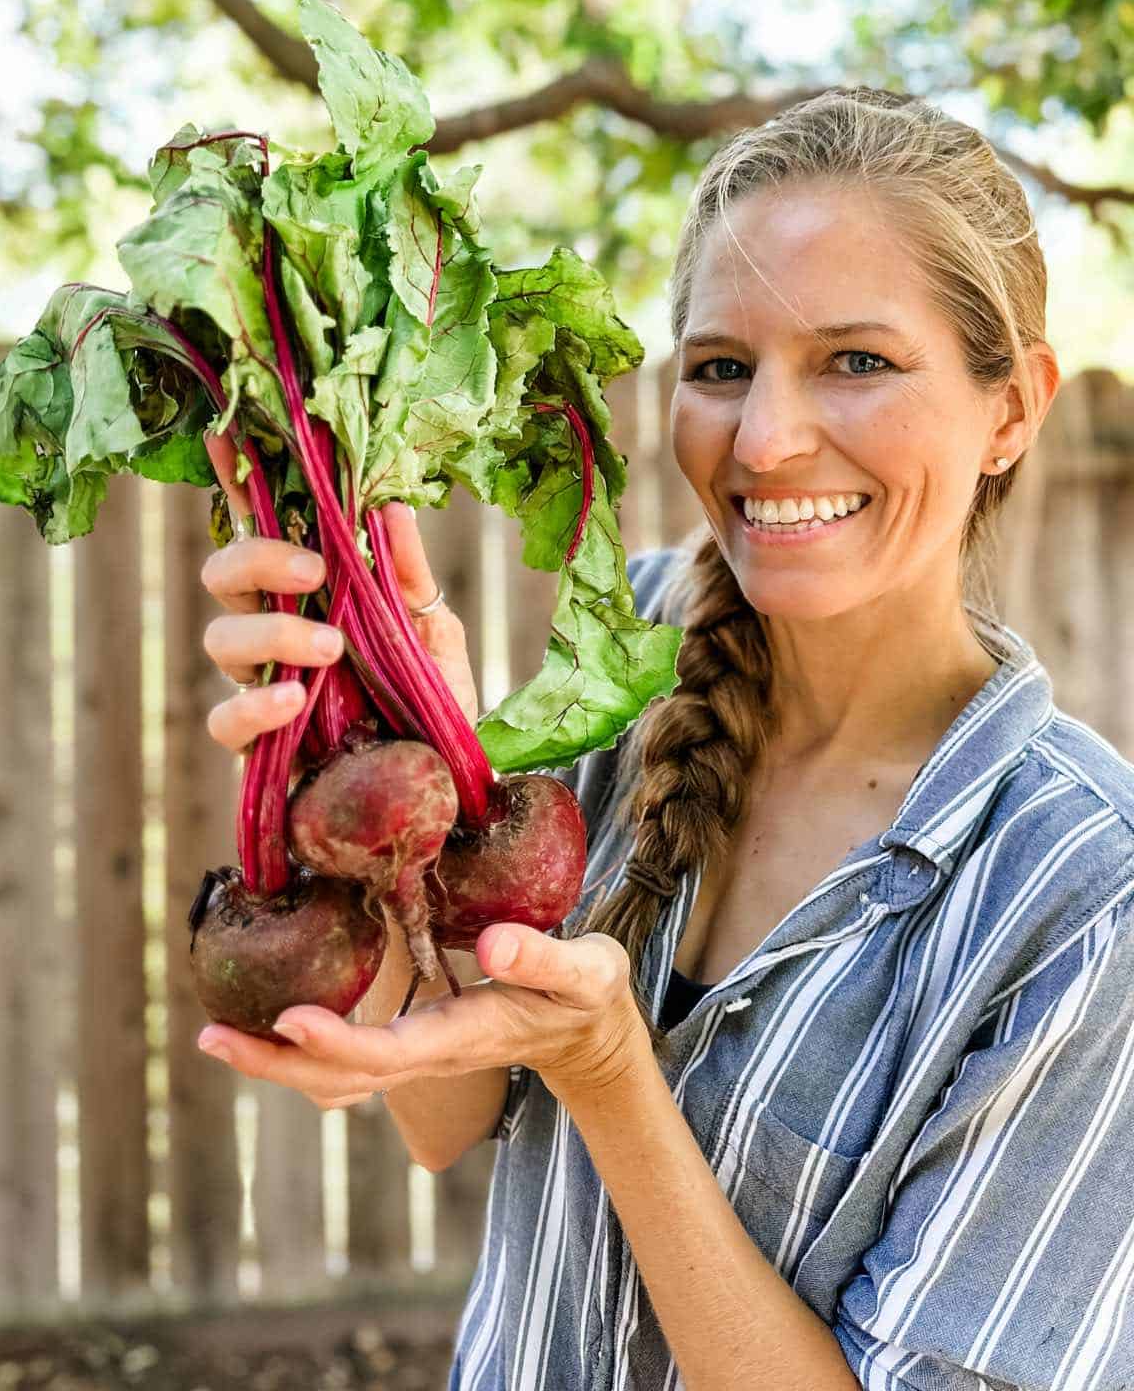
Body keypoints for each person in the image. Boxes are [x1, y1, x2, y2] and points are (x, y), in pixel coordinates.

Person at [198, 88, 1134, 1390]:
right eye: (721, 368)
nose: (765, 438)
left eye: (856, 361)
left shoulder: (1085, 897)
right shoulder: (625, 660)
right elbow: (446, 1113)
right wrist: (387, 773)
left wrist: (610, 1073)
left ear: (1013, 408)